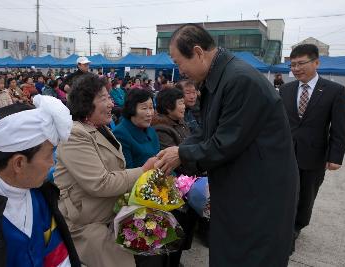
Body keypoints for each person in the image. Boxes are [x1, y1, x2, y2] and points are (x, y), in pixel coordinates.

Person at [155, 24, 299, 267]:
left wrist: (181, 153)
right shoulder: (219, 77)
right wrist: (178, 150)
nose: (179, 70)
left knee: (249, 257)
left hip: (259, 193)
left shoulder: (239, 80)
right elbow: (207, 130)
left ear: (198, 52)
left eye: (179, 62)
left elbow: (225, 143)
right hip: (241, 186)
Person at [0, 96, 81, 266]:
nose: (53, 162)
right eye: (49, 154)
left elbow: (57, 258)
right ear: (19, 163)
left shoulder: (42, 197)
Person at [54, 73, 156, 267]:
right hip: (85, 223)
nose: (111, 103)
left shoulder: (101, 128)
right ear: (85, 103)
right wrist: (143, 171)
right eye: (104, 98)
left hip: (110, 213)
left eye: (110, 97)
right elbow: (100, 183)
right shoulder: (75, 134)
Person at [279, 44, 345, 249]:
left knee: (306, 195)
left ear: (316, 62)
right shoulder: (286, 89)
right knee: (285, 192)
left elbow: (339, 126)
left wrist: (336, 156)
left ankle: (297, 226)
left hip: (314, 155)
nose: (296, 68)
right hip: (286, 154)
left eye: (301, 63)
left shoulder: (334, 91)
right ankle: (284, 227)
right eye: (293, 65)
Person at [151, 88, 198, 267]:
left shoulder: (180, 122)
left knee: (184, 232)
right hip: (177, 187)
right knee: (175, 233)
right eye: (180, 103)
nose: (184, 106)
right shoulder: (162, 128)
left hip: (190, 183)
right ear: (168, 106)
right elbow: (174, 161)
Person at [113, 89, 160, 169]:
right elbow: (127, 171)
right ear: (131, 109)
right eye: (144, 108)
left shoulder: (151, 130)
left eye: (151, 107)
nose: (149, 113)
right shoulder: (120, 134)